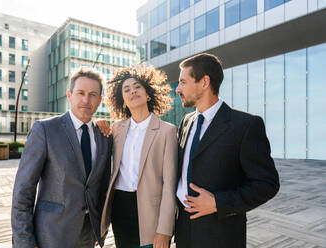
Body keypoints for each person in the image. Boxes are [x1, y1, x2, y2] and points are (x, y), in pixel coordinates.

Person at [174, 53, 280, 248]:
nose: (178, 89)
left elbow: (267, 184)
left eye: (183, 82)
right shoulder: (186, 122)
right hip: (183, 234)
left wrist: (217, 202)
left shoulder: (246, 125)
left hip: (221, 236)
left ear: (204, 82)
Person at [11, 67, 112, 248]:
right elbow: (23, 189)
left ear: (100, 101)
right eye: (80, 93)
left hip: (89, 235)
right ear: (69, 95)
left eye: (93, 94)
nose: (86, 100)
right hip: (51, 234)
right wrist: (24, 240)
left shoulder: (104, 136)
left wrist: (101, 226)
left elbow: (102, 187)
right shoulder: (45, 130)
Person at [97, 65, 177, 248]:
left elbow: (169, 185)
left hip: (151, 213)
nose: (132, 91)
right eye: (127, 90)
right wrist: (98, 122)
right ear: (123, 101)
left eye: (137, 87)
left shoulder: (167, 131)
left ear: (148, 94)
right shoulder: (117, 128)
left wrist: (164, 230)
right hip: (120, 208)